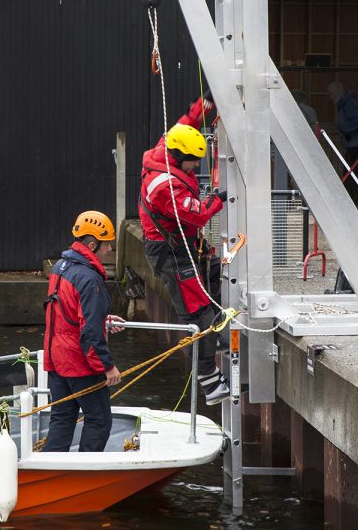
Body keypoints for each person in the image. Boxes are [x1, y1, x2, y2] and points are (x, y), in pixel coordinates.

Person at [139, 93, 230, 406]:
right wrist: (220, 198)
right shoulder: (165, 186)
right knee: (196, 313)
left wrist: (201, 108)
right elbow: (198, 213)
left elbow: (182, 126)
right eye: (193, 161)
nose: (196, 166)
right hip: (171, 253)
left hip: (181, 245)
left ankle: (215, 337)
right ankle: (208, 377)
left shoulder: (166, 150)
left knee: (215, 274)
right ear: (179, 159)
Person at [42, 211, 124, 452]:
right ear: (92, 244)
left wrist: (102, 318)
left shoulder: (59, 268)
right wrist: (107, 366)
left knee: (62, 417)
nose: (109, 250)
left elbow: (66, 313)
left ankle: (52, 473)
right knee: (99, 419)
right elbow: (89, 333)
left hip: (55, 359)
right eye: (107, 243)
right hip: (79, 362)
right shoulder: (89, 278)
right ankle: (85, 471)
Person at [326, 82, 358, 206]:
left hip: (356, 144)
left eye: (331, 94)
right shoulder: (344, 104)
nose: (330, 97)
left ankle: (357, 201)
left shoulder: (347, 104)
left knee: (354, 173)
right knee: (351, 173)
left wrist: (345, 131)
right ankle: (353, 200)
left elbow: (357, 121)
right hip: (353, 144)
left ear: (338, 92)